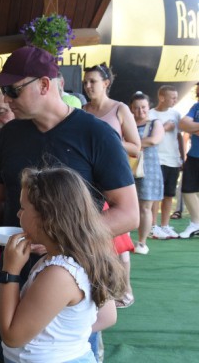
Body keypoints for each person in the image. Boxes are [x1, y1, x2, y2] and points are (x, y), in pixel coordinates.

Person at [0, 46, 138, 362]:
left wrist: (61, 236)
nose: (6, 98)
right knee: (10, 349)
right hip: (12, 265)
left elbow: (129, 213)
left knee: (63, 349)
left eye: (13, 90)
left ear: (44, 85)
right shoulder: (10, 134)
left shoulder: (97, 134)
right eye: (3, 91)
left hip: (68, 275)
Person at [0, 167, 127, 363]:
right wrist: (65, 338)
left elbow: (12, 337)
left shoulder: (60, 274)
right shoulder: (82, 256)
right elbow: (108, 316)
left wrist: (10, 272)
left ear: (47, 217)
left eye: (23, 208)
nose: (17, 214)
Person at [82, 62, 140, 307]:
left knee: (119, 240)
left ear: (105, 83)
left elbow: (136, 147)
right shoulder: (82, 111)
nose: (87, 86)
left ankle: (125, 290)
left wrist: (110, 140)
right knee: (93, 238)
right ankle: (97, 289)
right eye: (85, 82)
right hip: (87, 183)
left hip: (114, 182)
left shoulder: (120, 109)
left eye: (92, 81)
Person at [129, 92, 164, 254]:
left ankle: (141, 243)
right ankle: (125, 240)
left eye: (143, 107)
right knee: (127, 205)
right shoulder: (127, 123)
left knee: (145, 207)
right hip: (127, 168)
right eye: (136, 108)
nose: (140, 111)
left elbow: (154, 140)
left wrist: (129, 144)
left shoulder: (155, 123)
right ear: (131, 108)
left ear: (148, 107)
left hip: (148, 170)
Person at [148, 85, 184, 238]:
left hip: (173, 159)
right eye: (173, 97)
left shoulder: (176, 114)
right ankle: (153, 225)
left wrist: (183, 156)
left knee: (169, 194)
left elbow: (179, 136)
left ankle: (165, 225)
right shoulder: (150, 114)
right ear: (162, 97)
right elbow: (151, 136)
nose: (175, 100)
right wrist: (165, 127)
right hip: (157, 159)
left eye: (176, 97)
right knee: (156, 195)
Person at [177, 83, 199, 238]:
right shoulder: (196, 106)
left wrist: (193, 127)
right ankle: (196, 223)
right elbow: (183, 124)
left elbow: (189, 126)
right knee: (187, 190)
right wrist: (191, 127)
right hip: (194, 156)